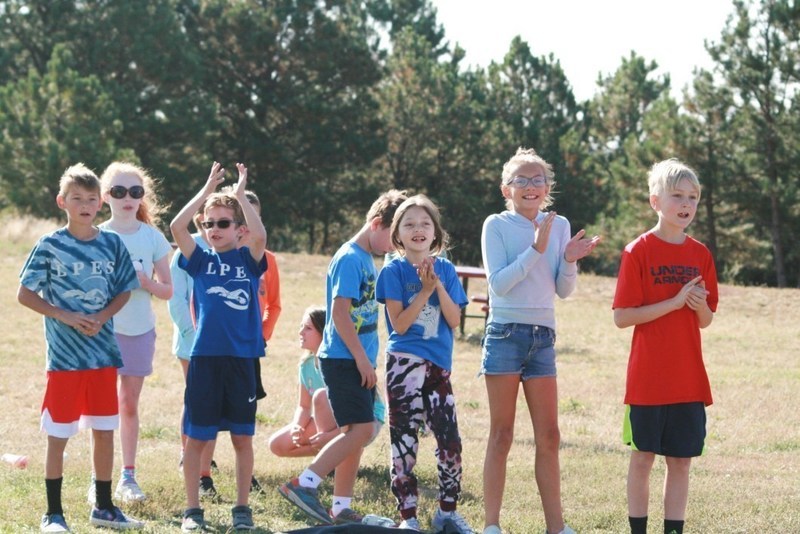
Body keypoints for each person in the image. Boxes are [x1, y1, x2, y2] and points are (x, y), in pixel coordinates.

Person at [18, 163, 144, 531]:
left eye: (91, 199)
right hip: (65, 359)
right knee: (59, 434)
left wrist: (103, 316)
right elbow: (24, 293)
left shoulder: (111, 243)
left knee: (104, 430)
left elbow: (124, 289)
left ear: (100, 203)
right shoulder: (50, 244)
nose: (85, 205)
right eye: (77, 199)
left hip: (103, 355)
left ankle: (103, 508)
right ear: (63, 202)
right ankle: (53, 514)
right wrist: (65, 315)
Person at [480, 147, 600, 534]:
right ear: (506, 189)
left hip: (543, 337)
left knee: (550, 435)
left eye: (538, 180)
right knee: (502, 435)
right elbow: (499, 285)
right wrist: (536, 248)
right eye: (521, 180)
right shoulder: (495, 225)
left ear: (547, 187)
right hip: (505, 334)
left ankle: (556, 527)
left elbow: (563, 291)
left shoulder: (559, 223)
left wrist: (568, 259)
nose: (530, 187)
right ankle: (492, 525)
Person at [278, 189, 407, 526]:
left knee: (356, 432)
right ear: (377, 223)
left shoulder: (366, 258)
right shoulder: (351, 258)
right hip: (343, 359)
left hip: (356, 359)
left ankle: (341, 506)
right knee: (361, 430)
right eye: (393, 237)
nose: (394, 246)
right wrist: (362, 362)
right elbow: (339, 314)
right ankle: (304, 484)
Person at [612, 159, 718, 534]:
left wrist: (698, 305)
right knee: (642, 458)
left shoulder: (700, 255)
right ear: (656, 201)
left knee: (681, 461)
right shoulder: (637, 251)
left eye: (692, 196)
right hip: (648, 380)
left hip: (688, 379)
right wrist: (673, 303)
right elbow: (622, 317)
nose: (686, 203)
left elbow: (705, 319)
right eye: (677, 195)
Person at [170, 161, 267, 532]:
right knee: (197, 437)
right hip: (205, 359)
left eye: (223, 223)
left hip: (241, 360)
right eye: (208, 224)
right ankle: (192, 511)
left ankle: (241, 509)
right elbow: (178, 227)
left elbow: (260, 236)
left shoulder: (248, 259)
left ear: (238, 228)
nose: (213, 230)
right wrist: (206, 189)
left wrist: (239, 195)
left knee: (242, 437)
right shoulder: (198, 260)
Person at [375, 194, 473, 533]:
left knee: (450, 440)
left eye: (425, 224)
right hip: (404, 365)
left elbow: (454, 319)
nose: (418, 230)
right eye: (410, 224)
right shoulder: (392, 270)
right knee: (404, 441)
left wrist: (437, 286)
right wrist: (423, 292)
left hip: (438, 366)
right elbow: (399, 325)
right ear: (398, 234)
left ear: (436, 233)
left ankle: (447, 511)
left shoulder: (445, 269)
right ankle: (409, 516)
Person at [98, 162, 174, 502]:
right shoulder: (97, 235)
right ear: (105, 197)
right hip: (102, 330)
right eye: (118, 191)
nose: (127, 198)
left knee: (128, 404)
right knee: (101, 406)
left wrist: (145, 282)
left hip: (139, 331)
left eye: (135, 192)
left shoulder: (152, 237)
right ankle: (98, 478)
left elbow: (167, 290)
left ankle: (128, 477)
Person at [268, 307, 384, 458]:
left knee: (321, 396)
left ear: (324, 333)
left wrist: (330, 438)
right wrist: (298, 426)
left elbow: (356, 415)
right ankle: (335, 455)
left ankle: (339, 454)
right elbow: (303, 406)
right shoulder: (306, 365)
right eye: (301, 327)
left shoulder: (341, 365)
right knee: (277, 444)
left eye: (308, 328)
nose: (300, 332)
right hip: (331, 422)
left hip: (363, 422)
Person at [168, 208, 219, 498]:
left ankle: (204, 467)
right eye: (209, 219)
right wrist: (196, 335)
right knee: (197, 400)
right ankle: (190, 459)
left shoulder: (230, 246)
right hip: (192, 343)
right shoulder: (187, 250)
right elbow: (176, 300)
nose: (213, 224)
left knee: (213, 405)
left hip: (221, 344)